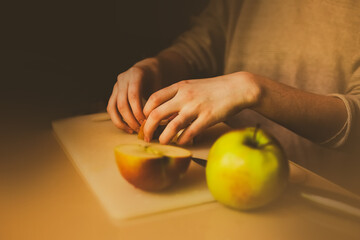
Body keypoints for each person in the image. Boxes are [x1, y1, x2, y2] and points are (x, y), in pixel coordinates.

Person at [107, 0, 360, 192]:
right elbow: (198, 45)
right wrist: (155, 66)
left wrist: (251, 88)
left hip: (325, 198)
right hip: (224, 179)